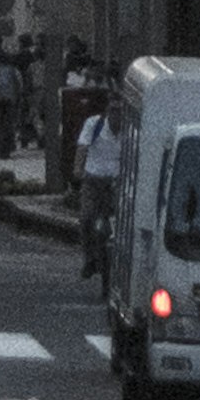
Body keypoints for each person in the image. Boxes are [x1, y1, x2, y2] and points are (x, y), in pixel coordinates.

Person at [74, 88, 125, 280]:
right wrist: (78, 170)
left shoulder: (130, 130)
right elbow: (82, 148)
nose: (116, 115)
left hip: (117, 182)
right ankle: (89, 259)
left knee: (122, 222)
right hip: (93, 180)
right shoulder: (94, 125)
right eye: (113, 110)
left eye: (120, 111)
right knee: (86, 218)